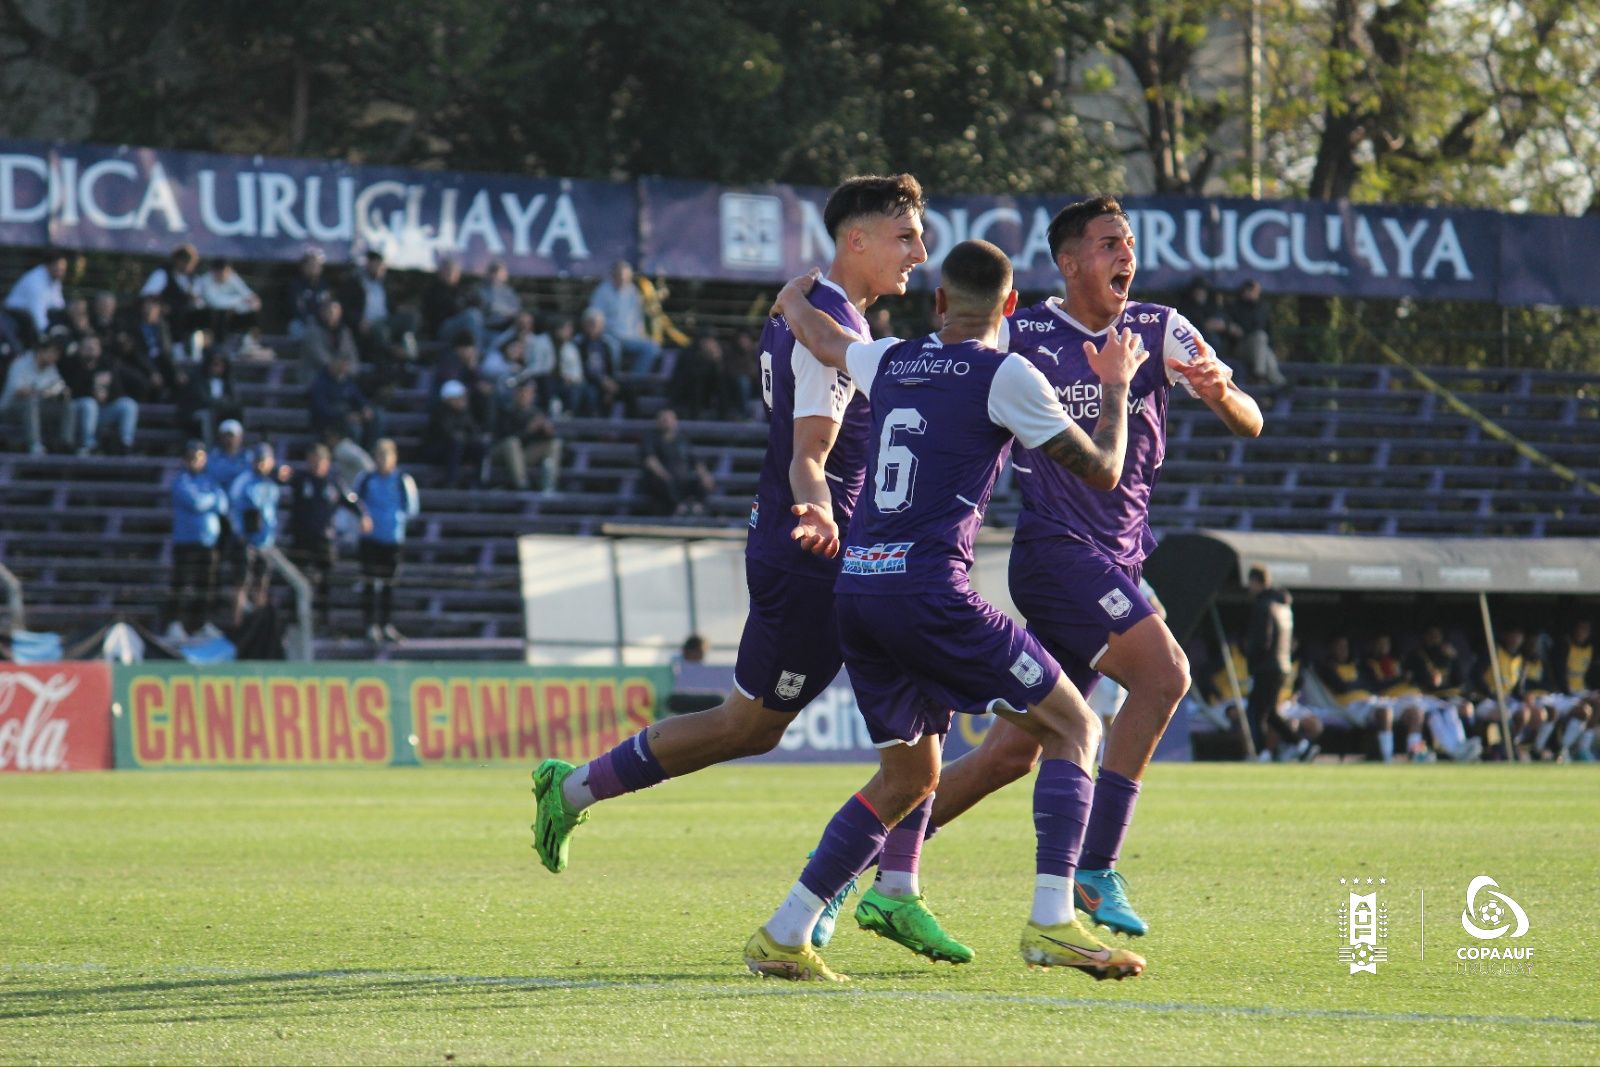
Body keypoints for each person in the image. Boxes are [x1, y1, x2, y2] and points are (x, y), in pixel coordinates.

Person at [847, 196, 1265, 945]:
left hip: (1121, 556)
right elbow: (954, 353)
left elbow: (1251, 420)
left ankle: (873, 855)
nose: (1124, 256)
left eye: (1129, 243)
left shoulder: (1159, 328)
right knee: (1166, 674)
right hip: (1056, 551)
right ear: (1069, 261)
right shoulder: (1025, 330)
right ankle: (1095, 869)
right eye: (1109, 243)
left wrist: (1219, 390)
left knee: (1016, 747)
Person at [745, 239, 1148, 982]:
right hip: (929, 592)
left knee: (908, 778)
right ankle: (1053, 919)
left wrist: (793, 297)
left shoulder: (892, 357)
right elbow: (1104, 470)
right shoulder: (1007, 373)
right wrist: (1117, 385)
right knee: (1074, 725)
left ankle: (785, 930)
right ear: (1012, 309)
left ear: (937, 303)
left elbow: (825, 338)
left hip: (858, 590)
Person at [530, 174, 927, 880]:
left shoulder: (806, 306)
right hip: (813, 554)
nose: (919, 252)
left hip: (831, 548)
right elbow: (810, 454)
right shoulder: (826, 330)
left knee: (920, 705)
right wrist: (819, 507)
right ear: (856, 239)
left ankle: (895, 887)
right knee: (748, 726)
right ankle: (570, 788)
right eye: (905, 236)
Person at [286, 442, 370, 630]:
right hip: (302, 539)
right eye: (313, 460)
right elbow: (282, 477)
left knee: (325, 580)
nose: (316, 464)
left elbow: (351, 501)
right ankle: (296, 617)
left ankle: (323, 619)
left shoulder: (333, 482)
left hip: (325, 540)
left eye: (320, 460)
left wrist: (363, 516)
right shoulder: (301, 479)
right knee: (298, 579)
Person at [1244, 565, 1313, 760]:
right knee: (1269, 712)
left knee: (1256, 712)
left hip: (1266, 666)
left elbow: (1262, 640)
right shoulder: (1283, 606)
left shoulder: (1264, 605)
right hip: (1282, 665)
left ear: (1256, 581)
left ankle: (1263, 752)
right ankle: (1300, 746)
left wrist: (1252, 661)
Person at [354, 439, 420, 644]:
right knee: (369, 583)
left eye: (386, 456)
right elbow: (354, 503)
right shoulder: (365, 479)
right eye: (379, 456)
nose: (382, 460)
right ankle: (369, 625)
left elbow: (412, 509)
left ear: (394, 458)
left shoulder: (402, 480)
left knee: (389, 584)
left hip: (392, 540)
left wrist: (394, 521)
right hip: (369, 540)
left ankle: (386, 625)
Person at [167, 439, 228, 640]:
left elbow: (223, 505)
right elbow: (196, 503)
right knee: (182, 585)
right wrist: (210, 499)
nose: (196, 461)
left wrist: (209, 500)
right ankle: (176, 624)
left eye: (199, 457)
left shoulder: (209, 481)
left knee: (206, 586)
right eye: (192, 457)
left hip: (208, 542)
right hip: (186, 541)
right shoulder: (181, 480)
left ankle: (201, 625)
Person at [227, 443, 290, 626]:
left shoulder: (271, 484)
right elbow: (233, 510)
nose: (262, 465)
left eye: (266, 461)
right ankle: (237, 624)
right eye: (259, 460)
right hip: (246, 541)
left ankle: (258, 626)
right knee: (241, 584)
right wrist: (239, 533)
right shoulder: (244, 481)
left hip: (265, 542)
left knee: (261, 585)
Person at [61, 334, 140, 455]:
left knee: (129, 405)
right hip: (79, 411)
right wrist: (92, 388)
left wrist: (107, 395)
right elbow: (71, 391)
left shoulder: (106, 364)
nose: (91, 350)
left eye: (94, 347)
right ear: (80, 349)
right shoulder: (71, 363)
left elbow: (118, 391)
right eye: (87, 347)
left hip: (103, 410)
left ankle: (125, 444)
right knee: (89, 403)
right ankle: (88, 444)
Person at [1, 328, 76, 454]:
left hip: (36, 410)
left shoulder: (51, 368)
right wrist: (45, 393)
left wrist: (62, 393)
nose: (55, 357)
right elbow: (20, 392)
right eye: (52, 353)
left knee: (68, 406)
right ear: (41, 352)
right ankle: (35, 446)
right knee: (31, 402)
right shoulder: (21, 363)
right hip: (9, 409)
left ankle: (65, 444)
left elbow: (60, 387)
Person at [585, 261, 660, 373]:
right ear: (613, 275)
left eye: (626, 276)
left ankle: (635, 381)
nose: (623, 279)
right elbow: (593, 314)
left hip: (630, 337)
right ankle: (614, 381)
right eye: (620, 276)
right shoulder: (602, 291)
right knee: (613, 348)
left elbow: (637, 318)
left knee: (652, 348)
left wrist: (641, 334)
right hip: (609, 335)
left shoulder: (633, 291)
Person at [637, 408, 714, 516]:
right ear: (658, 421)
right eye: (664, 419)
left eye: (669, 419)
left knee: (702, 481)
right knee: (665, 482)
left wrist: (704, 474)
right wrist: (663, 473)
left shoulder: (682, 439)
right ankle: (679, 507)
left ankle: (698, 508)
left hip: (683, 478)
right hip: (662, 479)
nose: (667, 422)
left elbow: (695, 460)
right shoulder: (650, 437)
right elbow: (650, 460)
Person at [492, 380, 562, 492]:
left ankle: (549, 485)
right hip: (501, 452)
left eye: (528, 393)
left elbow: (543, 438)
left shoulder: (535, 412)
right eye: (522, 392)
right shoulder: (506, 410)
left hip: (524, 455)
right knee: (512, 443)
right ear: (516, 393)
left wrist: (548, 432)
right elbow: (505, 436)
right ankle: (522, 485)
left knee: (554, 444)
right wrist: (529, 430)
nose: (525, 395)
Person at [309, 354, 384, 452]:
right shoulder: (320, 383)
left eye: (345, 365)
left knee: (377, 416)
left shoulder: (347, 381)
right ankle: (353, 459)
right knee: (355, 430)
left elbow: (358, 398)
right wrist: (345, 416)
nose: (343, 368)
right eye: (340, 364)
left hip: (347, 418)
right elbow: (322, 410)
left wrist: (365, 408)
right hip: (329, 423)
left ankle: (371, 453)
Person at [193, 258, 264, 354]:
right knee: (220, 314)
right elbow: (215, 303)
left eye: (225, 272)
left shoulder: (233, 278)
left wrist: (252, 302)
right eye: (219, 272)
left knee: (252, 314)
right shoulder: (205, 280)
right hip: (208, 318)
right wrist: (239, 301)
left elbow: (250, 297)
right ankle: (219, 348)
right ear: (213, 271)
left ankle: (248, 345)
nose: (223, 275)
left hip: (231, 318)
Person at [426, 379, 488, 487]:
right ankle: (451, 481)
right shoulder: (440, 413)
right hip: (439, 451)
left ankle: (480, 482)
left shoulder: (465, 413)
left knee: (480, 446)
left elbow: (474, 432)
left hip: (460, 450)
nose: (463, 400)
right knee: (456, 442)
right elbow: (447, 434)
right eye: (459, 397)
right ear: (449, 399)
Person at [4, 253, 69, 351]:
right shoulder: (36, 282)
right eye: (58, 269)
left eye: (63, 270)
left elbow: (58, 304)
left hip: (32, 314)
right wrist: (46, 336)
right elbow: (37, 313)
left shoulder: (54, 278)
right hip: (16, 315)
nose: (61, 273)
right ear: (48, 266)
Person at [1231, 280, 1287, 388]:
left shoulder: (1262, 308)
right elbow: (1241, 331)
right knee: (1260, 337)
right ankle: (1261, 375)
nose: (1253, 293)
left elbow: (1269, 330)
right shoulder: (1236, 307)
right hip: (1242, 348)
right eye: (1250, 290)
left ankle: (1279, 383)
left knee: (1266, 351)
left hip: (1260, 350)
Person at [179, 349, 243, 444]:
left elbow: (233, 400)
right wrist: (220, 403)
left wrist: (222, 405)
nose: (217, 368)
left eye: (220, 365)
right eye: (215, 364)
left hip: (221, 412)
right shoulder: (198, 379)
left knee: (237, 414)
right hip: (199, 413)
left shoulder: (228, 381)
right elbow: (202, 400)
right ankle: (209, 448)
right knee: (207, 416)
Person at [140, 244, 202, 339]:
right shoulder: (162, 274)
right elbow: (148, 295)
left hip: (186, 320)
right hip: (165, 319)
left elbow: (198, 301)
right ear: (179, 261)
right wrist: (160, 305)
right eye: (187, 263)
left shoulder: (192, 279)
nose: (190, 268)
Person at [575, 309, 627, 417]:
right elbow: (581, 369)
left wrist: (610, 384)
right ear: (584, 325)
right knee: (591, 393)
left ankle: (633, 430)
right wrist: (601, 382)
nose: (594, 327)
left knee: (629, 392)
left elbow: (611, 368)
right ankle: (596, 430)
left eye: (598, 324)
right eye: (591, 323)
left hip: (607, 381)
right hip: (589, 381)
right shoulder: (578, 344)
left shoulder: (606, 344)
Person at [299, 296, 361, 383]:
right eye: (331, 312)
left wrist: (347, 369)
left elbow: (353, 356)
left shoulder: (344, 332)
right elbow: (320, 357)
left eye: (337, 313)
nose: (334, 316)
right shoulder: (312, 331)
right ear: (322, 312)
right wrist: (336, 367)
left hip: (342, 378)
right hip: (316, 377)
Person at [285, 248, 329, 337]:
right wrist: (310, 322)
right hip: (302, 323)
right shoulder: (296, 284)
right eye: (311, 264)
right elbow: (298, 308)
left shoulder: (323, 285)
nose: (315, 268)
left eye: (317, 265)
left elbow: (326, 305)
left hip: (320, 323)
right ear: (304, 266)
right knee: (295, 326)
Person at [478, 260, 524, 338]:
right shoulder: (483, 290)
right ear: (493, 274)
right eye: (503, 272)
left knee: (525, 319)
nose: (506, 274)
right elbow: (490, 307)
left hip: (510, 321)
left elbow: (517, 308)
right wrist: (506, 313)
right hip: (492, 322)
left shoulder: (509, 291)